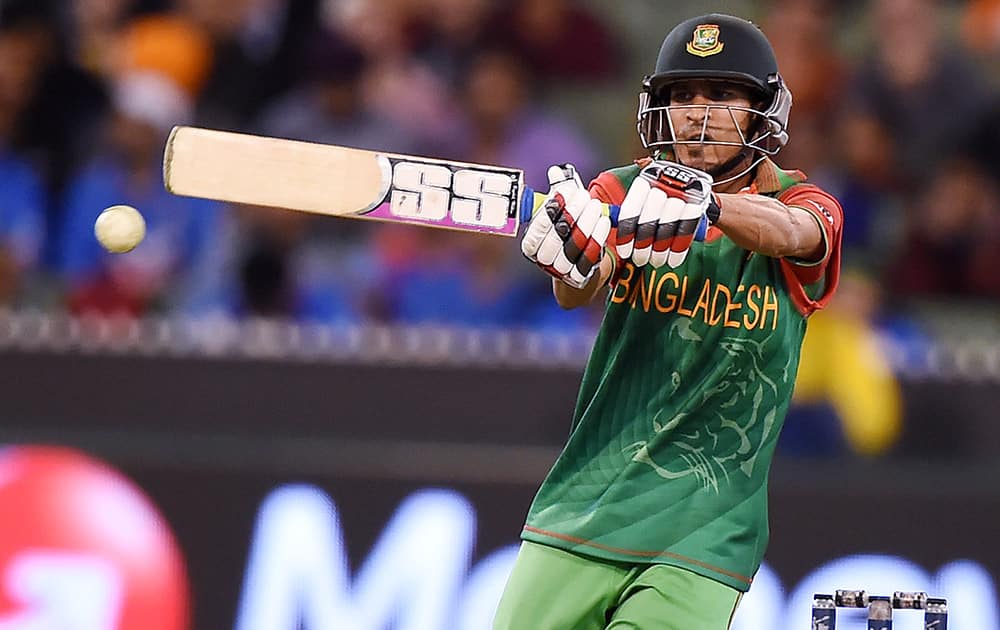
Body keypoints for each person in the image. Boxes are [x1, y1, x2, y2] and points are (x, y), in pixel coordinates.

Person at [500, 14, 843, 629]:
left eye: (721, 95)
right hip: (584, 504)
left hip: (705, 531)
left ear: (763, 109)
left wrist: (708, 205)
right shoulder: (624, 189)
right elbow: (577, 287)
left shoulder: (803, 202)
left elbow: (798, 235)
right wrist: (568, 251)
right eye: (682, 96)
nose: (697, 113)